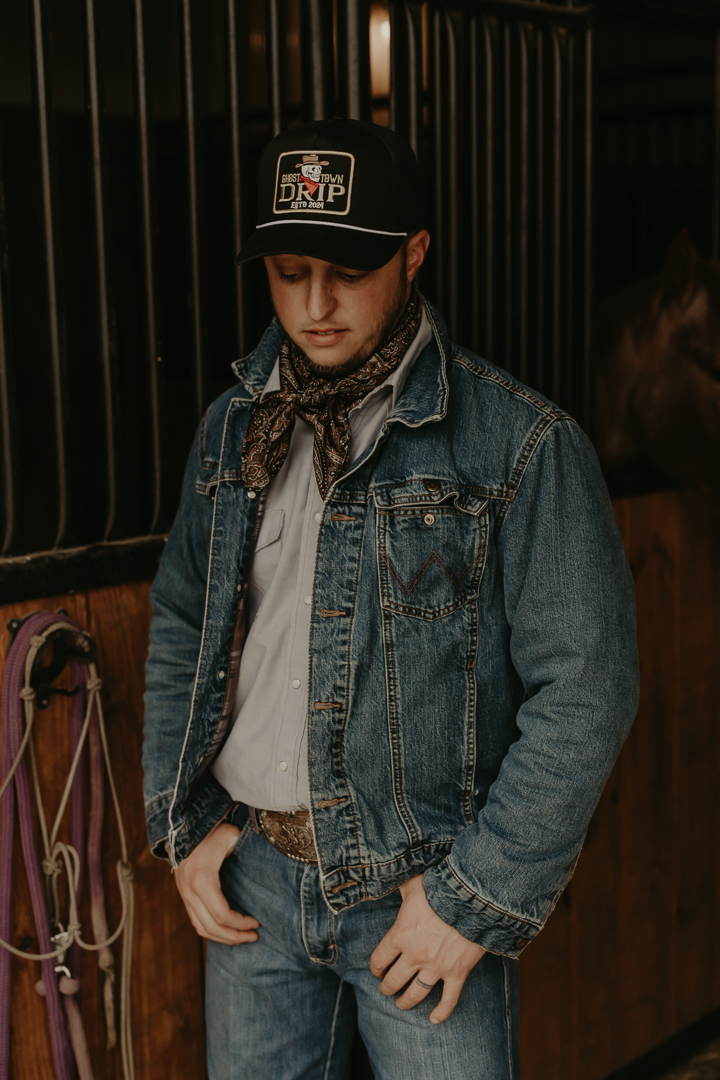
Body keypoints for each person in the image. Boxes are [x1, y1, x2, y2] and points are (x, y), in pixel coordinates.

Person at [143, 118, 639, 1080]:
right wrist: (184, 823)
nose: (316, 303)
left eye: (348, 269)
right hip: (254, 887)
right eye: (290, 271)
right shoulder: (232, 429)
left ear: (414, 255)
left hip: (417, 897)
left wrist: (473, 898)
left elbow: (589, 687)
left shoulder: (519, 446)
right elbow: (180, 618)